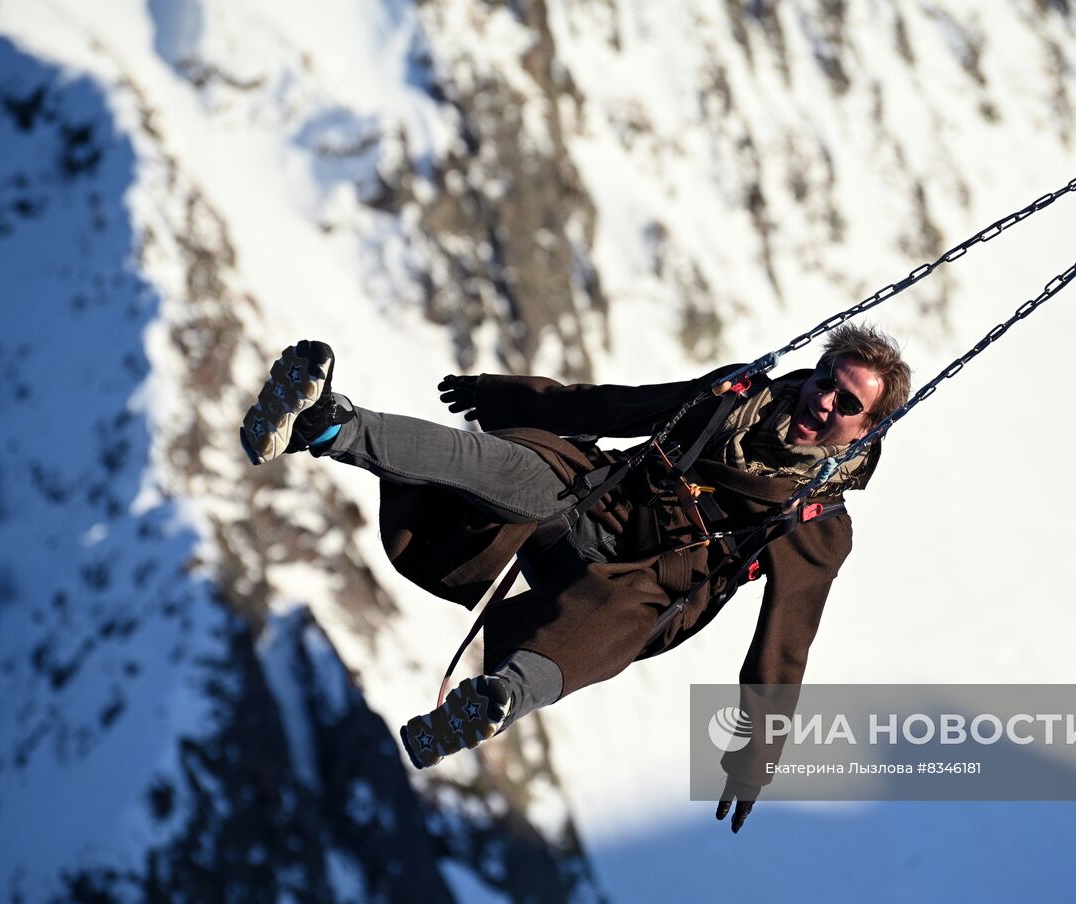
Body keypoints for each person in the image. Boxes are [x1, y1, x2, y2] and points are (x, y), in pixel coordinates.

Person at [240, 325, 911, 832]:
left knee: (612, 620)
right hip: (596, 496)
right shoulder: (737, 394)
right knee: (495, 463)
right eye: (826, 378)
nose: (824, 399)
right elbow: (620, 409)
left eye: (846, 401)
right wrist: (499, 394)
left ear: (866, 428)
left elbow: (786, 639)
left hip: (651, 579)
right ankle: (324, 422)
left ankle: (496, 701)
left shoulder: (818, 520)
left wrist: (758, 750)